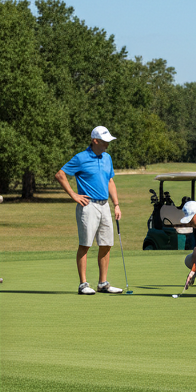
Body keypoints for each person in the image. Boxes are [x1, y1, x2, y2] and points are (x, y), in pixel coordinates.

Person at [55, 125, 123, 295]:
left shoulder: (107, 158)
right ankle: (83, 284)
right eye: (105, 141)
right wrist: (74, 195)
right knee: (85, 244)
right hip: (88, 206)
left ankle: (103, 283)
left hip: (104, 205)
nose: (107, 144)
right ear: (95, 141)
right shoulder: (81, 158)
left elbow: (110, 181)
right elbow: (60, 175)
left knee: (106, 244)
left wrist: (116, 204)